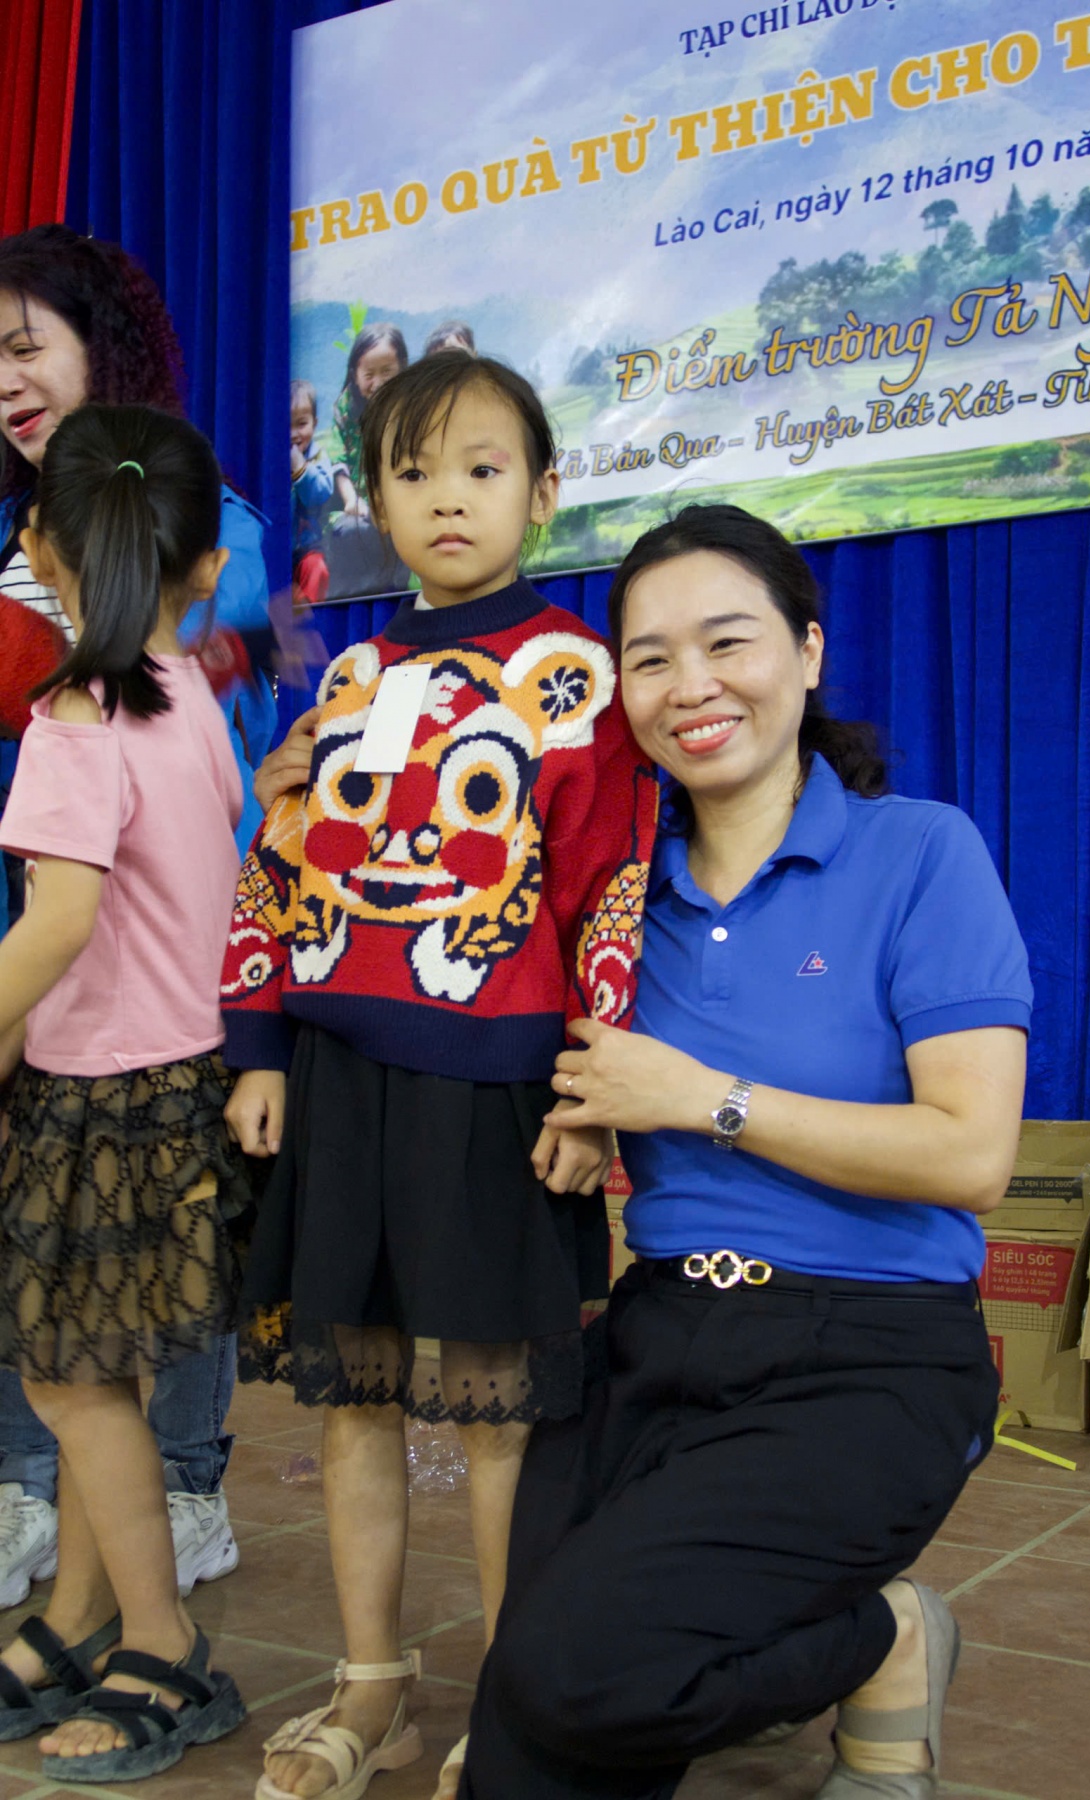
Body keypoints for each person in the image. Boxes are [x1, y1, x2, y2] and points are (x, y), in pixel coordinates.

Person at [454, 503, 1032, 1800]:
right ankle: (809, 1645)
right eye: (648, 659)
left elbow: (971, 1155)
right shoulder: (610, 891)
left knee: (572, 1670)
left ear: (810, 651)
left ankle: (881, 1638)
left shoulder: (920, 854)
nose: (690, 686)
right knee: (528, 1731)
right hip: (654, 1339)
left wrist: (699, 1095)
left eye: (729, 641)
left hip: (868, 1352)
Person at [222, 349, 657, 1800]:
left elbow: (610, 891)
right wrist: (265, 1042)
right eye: (411, 473)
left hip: (499, 1096)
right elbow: (287, 867)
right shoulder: (350, 673)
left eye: (482, 469)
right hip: (345, 1080)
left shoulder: (579, 681)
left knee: (497, 1421)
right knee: (354, 1402)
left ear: (544, 492)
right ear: (376, 504)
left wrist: (593, 1099)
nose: (446, 499)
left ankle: (512, 1696)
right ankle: (371, 1689)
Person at [0, 221, 269, 1606]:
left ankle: (157, 1641)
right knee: (103, 1374)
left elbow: (52, 928)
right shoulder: (194, 710)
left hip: (94, 1095)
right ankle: (69, 1621)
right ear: (203, 566)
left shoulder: (72, 719)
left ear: (42, 556)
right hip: (185, 1076)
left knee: (68, 1384)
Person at [326, 322, 409, 599]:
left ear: (403, 367)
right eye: (369, 374)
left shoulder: (413, 405)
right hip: (357, 503)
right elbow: (338, 461)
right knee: (348, 534)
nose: (378, 382)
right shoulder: (346, 407)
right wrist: (352, 500)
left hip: (400, 498)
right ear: (355, 374)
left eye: (387, 372)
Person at [290, 379, 333, 606]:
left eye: (301, 424)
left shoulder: (318, 457)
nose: (294, 434)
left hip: (308, 546)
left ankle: (308, 614)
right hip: (278, 547)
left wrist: (300, 471)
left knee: (317, 569)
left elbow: (321, 493)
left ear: (315, 424)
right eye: (286, 425)